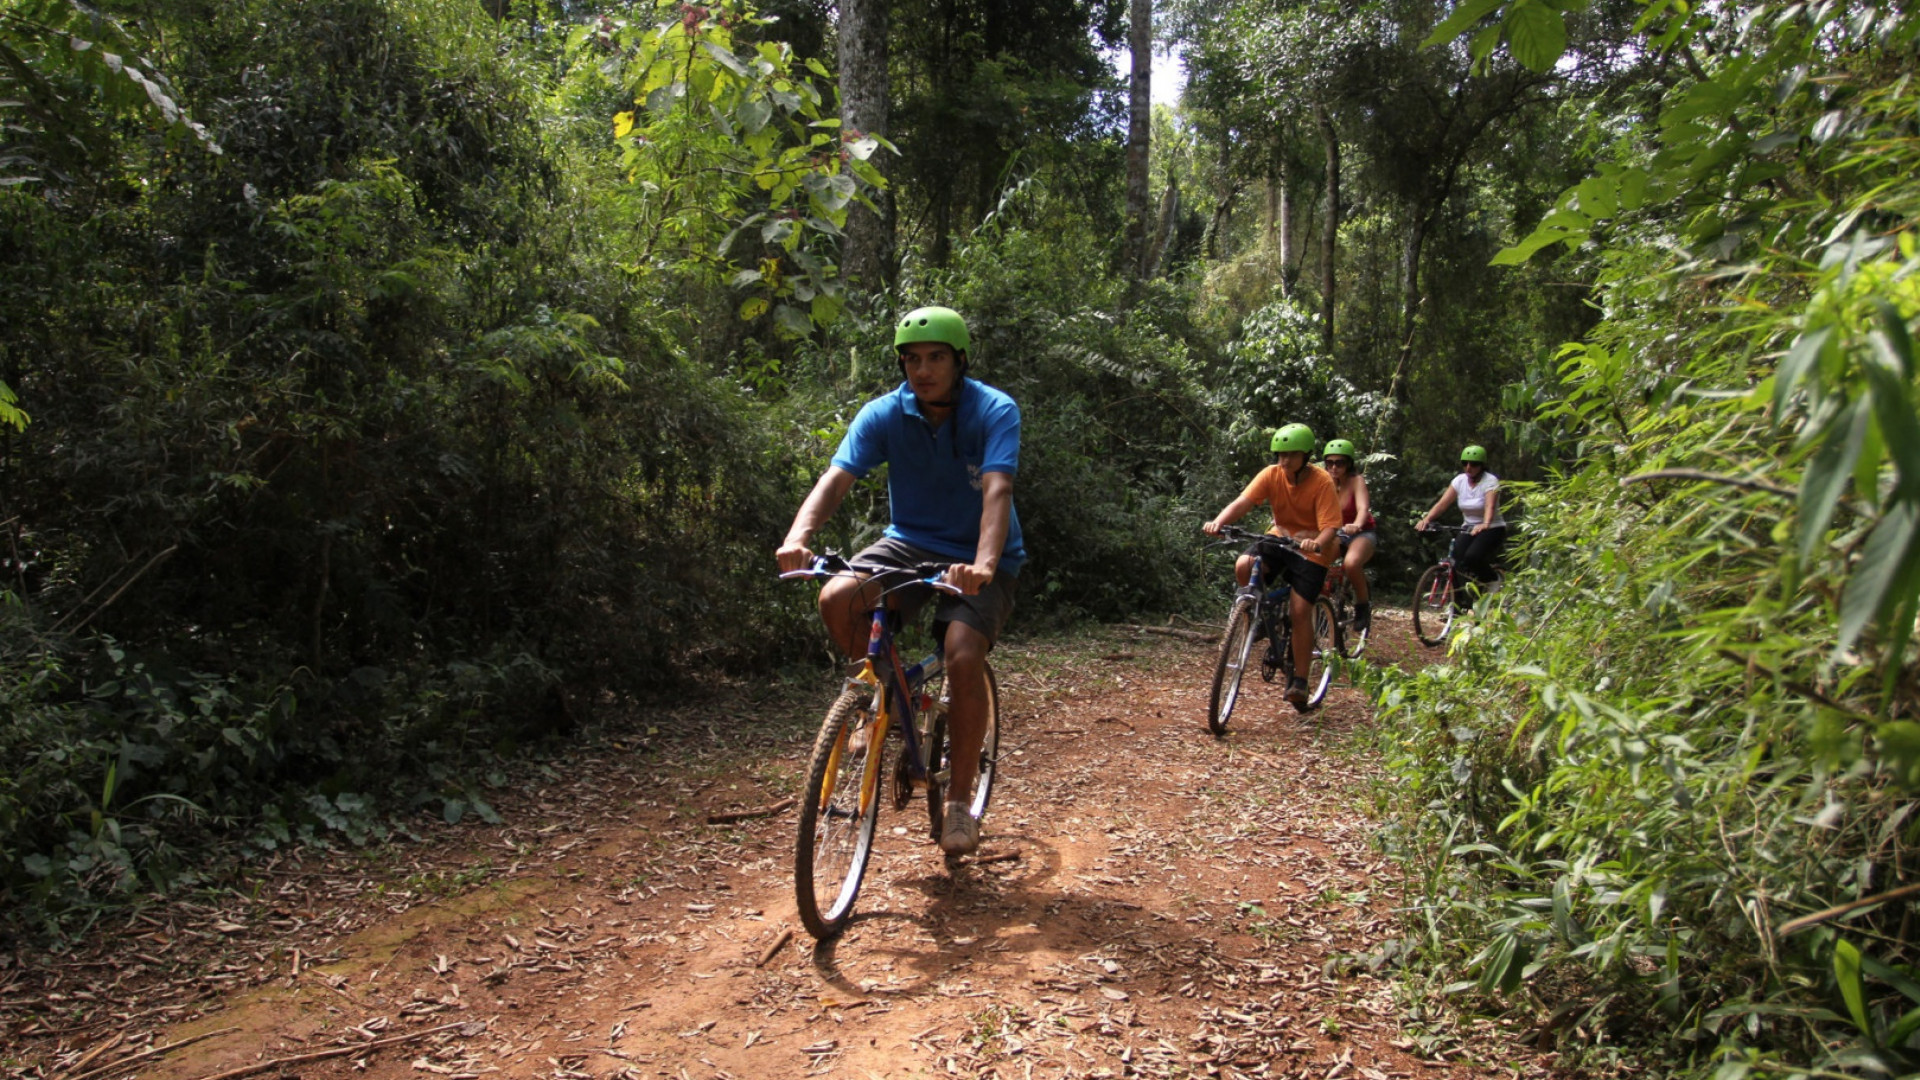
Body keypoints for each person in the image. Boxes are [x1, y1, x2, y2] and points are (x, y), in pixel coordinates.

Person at [776, 305, 1024, 857]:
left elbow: (997, 492)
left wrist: (984, 565)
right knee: (837, 596)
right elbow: (835, 479)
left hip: (982, 553)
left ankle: (960, 803)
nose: (923, 369)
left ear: (959, 361)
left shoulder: (993, 410)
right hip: (908, 542)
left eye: (936, 357)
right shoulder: (884, 413)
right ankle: (888, 695)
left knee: (962, 653)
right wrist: (799, 536)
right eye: (912, 359)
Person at [1202, 423, 1342, 711]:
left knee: (1300, 610)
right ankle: (1259, 615)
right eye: (1280, 455)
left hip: (1314, 550)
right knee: (1245, 564)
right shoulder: (1271, 474)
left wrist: (1315, 543)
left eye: (1290, 455)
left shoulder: (1322, 482)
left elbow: (1330, 527)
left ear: (1306, 455)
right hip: (1280, 538)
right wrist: (1220, 521)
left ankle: (1300, 681)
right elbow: (1245, 501)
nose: (1284, 461)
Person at [1414, 444, 1507, 602]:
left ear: (1482, 465)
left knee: (1472, 556)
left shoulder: (1490, 481)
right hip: (1468, 527)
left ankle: (1492, 579)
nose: (1469, 467)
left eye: (1474, 464)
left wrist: (1485, 523)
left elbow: (1490, 506)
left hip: (1492, 528)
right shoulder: (1459, 481)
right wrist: (1427, 519)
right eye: (1465, 463)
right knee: (1456, 561)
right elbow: (1442, 504)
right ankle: (1457, 605)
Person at [1322, 438, 1375, 635]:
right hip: (1335, 533)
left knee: (1351, 563)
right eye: (1330, 463)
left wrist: (1357, 524)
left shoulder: (1356, 481)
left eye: (1340, 463)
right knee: (1316, 561)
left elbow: (1363, 508)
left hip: (1360, 533)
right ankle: (1324, 607)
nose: (1334, 467)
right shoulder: (1324, 482)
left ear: (1349, 464)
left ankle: (1363, 606)